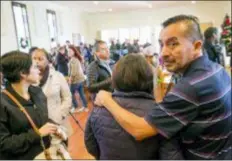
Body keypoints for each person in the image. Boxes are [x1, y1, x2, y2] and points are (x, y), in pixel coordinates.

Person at [94, 15, 232, 160]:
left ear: (197, 46)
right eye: (162, 44)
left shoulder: (190, 87)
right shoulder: (217, 69)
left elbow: (139, 130)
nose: (163, 53)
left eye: (173, 44)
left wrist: (106, 100)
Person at [85, 54, 183, 159]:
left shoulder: (98, 109)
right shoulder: (160, 112)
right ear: (149, 77)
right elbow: (170, 155)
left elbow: (91, 147)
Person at [0, 51, 58, 159]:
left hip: (45, 153)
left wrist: (55, 128)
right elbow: (3, 144)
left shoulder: (37, 92)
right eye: (34, 67)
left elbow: (41, 119)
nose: (38, 70)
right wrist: (37, 134)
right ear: (23, 73)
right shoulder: (3, 103)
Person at [32, 48, 72, 128]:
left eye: (40, 59)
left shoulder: (57, 76)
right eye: (34, 59)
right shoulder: (29, 79)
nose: (37, 62)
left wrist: (60, 114)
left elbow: (67, 97)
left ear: (47, 60)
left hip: (56, 121)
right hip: (38, 124)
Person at [68, 45, 88, 113]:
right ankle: (85, 107)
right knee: (82, 93)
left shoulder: (73, 60)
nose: (68, 52)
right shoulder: (77, 58)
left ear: (74, 52)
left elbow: (73, 72)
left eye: (70, 51)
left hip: (76, 80)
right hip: (81, 80)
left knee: (71, 93)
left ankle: (76, 107)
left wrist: (70, 79)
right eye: (68, 51)